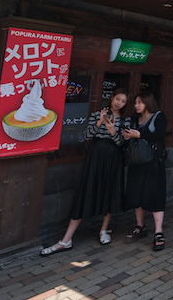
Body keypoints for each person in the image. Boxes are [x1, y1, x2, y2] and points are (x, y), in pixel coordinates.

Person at [41, 88, 129, 256]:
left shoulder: (125, 120)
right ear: (111, 98)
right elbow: (85, 136)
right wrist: (100, 122)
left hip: (113, 157)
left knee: (109, 190)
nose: (119, 103)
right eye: (117, 99)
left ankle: (104, 229)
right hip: (95, 155)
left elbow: (122, 143)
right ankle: (67, 238)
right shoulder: (97, 114)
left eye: (123, 101)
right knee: (86, 190)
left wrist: (112, 131)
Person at [122, 91, 167, 251]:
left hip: (154, 163)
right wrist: (128, 136)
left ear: (148, 102)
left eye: (139, 102)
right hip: (137, 162)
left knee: (155, 194)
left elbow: (160, 135)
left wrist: (140, 134)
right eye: (135, 103)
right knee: (136, 193)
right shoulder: (135, 119)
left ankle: (158, 231)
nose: (136, 106)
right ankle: (140, 226)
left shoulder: (159, 116)